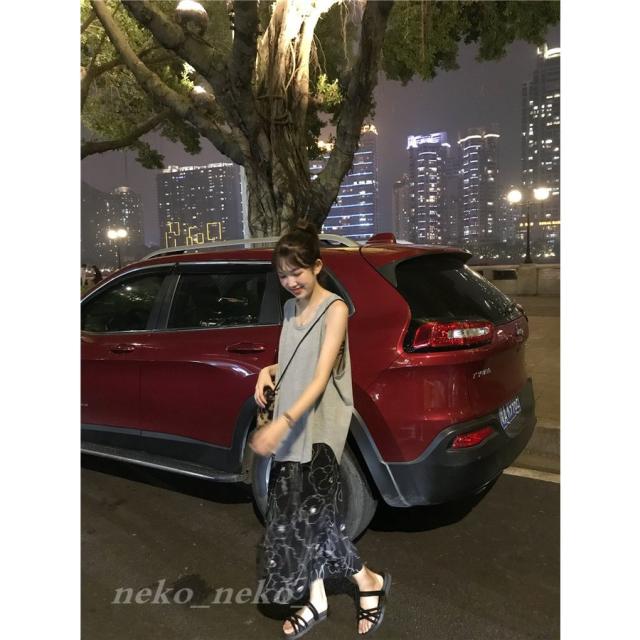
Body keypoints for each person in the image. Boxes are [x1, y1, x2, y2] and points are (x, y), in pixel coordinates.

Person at [250, 221, 391, 638]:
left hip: (318, 428)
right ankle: (317, 599)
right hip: (292, 428)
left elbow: (319, 376)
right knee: (292, 519)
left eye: (297, 272)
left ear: (317, 266)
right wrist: (266, 370)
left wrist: (281, 425)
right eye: (283, 275)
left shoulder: (335, 310)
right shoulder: (290, 309)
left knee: (316, 520)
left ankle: (368, 581)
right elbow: (295, 361)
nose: (291, 282)